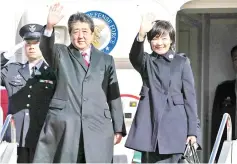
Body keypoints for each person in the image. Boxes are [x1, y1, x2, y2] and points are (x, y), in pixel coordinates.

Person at [33, 3, 126, 163]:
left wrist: (118, 126)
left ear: (92, 34)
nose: (80, 36)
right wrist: (49, 26)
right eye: (76, 31)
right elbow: (46, 47)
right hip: (66, 125)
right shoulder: (61, 53)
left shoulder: (105, 60)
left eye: (85, 31)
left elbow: (113, 95)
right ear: (70, 34)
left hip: (98, 125)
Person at [124, 14, 202, 163]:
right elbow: (135, 56)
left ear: (171, 40)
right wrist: (141, 34)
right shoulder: (148, 62)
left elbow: (190, 99)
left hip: (175, 129)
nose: (159, 43)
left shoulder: (181, 62)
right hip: (152, 130)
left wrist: (193, 132)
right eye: (155, 38)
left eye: (164, 38)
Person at [0, 23, 57, 163]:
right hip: (16, 137)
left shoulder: (53, 72)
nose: (31, 46)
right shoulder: (12, 70)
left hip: (42, 136)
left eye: (36, 43)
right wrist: (6, 55)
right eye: (28, 43)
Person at [211, 45, 237, 161]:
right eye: (236, 59)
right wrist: (215, 154)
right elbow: (216, 123)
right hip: (228, 147)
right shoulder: (223, 89)